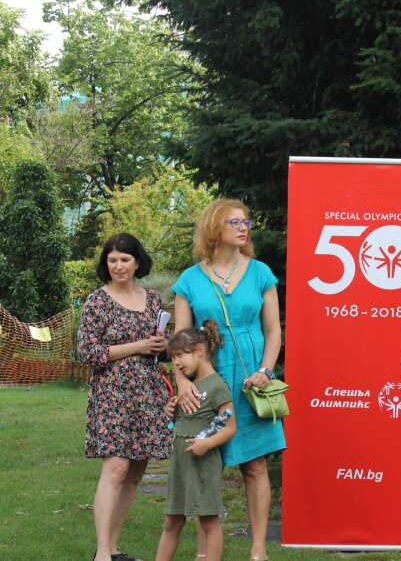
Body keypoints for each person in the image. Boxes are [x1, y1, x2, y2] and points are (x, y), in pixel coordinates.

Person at [172, 199, 283, 561]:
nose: (243, 227)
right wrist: (182, 382)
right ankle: (206, 552)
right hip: (207, 379)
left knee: (255, 464)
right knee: (206, 464)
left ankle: (257, 550)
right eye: (234, 222)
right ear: (214, 228)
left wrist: (266, 371)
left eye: (246, 221)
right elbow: (180, 338)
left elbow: (274, 331)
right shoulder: (189, 279)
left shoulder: (262, 273)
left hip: (252, 378)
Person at [78, 233, 171, 561]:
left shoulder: (152, 299)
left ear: (137, 262)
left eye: (125, 259)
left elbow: (160, 346)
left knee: (135, 472)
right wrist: (137, 346)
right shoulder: (97, 301)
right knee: (116, 468)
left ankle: (114, 548)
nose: (118, 265)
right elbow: (87, 352)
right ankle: (102, 553)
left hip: (147, 393)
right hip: (113, 395)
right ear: (106, 263)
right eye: (112, 260)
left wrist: (162, 346)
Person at [156, 320, 236, 561]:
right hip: (181, 463)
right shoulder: (190, 386)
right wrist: (171, 411)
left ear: (200, 350)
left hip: (203, 464)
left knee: (209, 520)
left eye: (180, 355)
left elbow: (230, 427)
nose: (177, 363)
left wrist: (206, 444)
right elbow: (181, 422)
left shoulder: (217, 386)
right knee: (171, 520)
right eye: (174, 356)